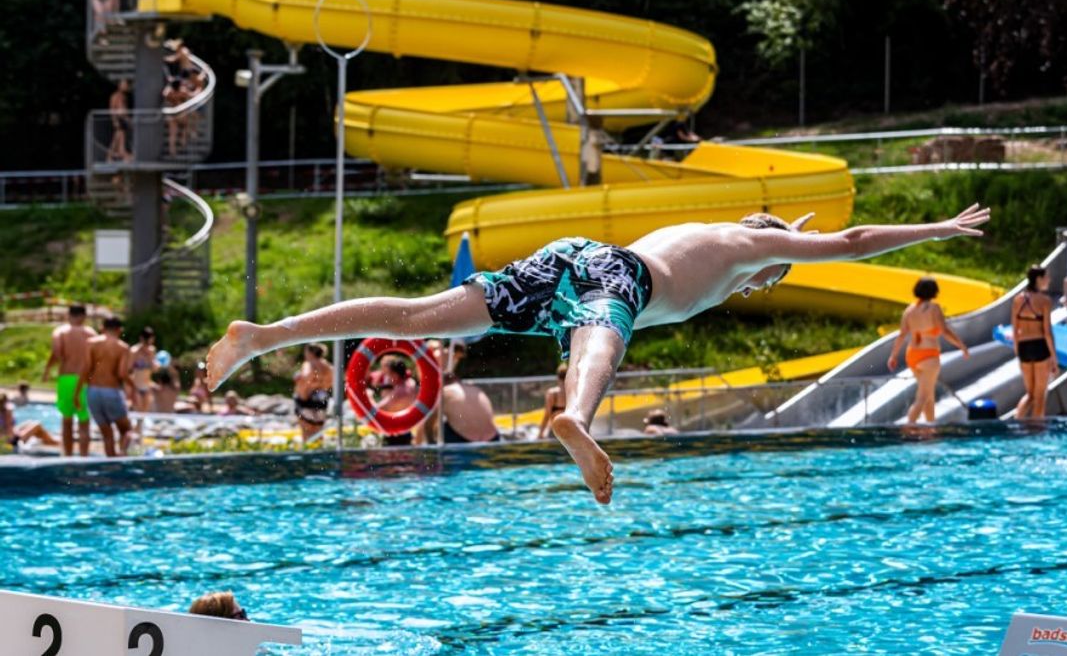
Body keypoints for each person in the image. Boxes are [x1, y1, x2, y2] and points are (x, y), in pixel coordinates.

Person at [205, 204, 992, 504]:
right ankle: (576, 420)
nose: (773, 277)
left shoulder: (716, 235)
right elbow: (850, 242)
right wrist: (938, 230)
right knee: (602, 337)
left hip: (571, 256)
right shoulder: (753, 243)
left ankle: (264, 336)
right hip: (617, 274)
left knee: (420, 316)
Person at [887, 277, 970, 424]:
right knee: (923, 396)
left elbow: (901, 335)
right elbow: (944, 331)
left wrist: (893, 356)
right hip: (929, 355)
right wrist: (961, 345)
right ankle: (909, 426)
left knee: (929, 395)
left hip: (912, 354)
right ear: (934, 291)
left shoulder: (909, 310)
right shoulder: (934, 308)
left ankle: (930, 426)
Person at [42, 305, 97, 456]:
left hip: (66, 377)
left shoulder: (60, 332)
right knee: (84, 421)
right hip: (85, 380)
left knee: (67, 420)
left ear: (69, 314)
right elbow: (96, 357)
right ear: (84, 316)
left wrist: (47, 370)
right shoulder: (91, 333)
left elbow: (57, 352)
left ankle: (68, 456)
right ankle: (84, 457)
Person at [75, 317, 134, 457]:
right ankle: (122, 458)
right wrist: (134, 387)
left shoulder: (91, 343)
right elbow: (122, 373)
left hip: (92, 392)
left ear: (102, 328)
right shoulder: (122, 347)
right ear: (119, 330)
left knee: (107, 435)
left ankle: (110, 466)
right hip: (111, 391)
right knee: (127, 431)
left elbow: (85, 370)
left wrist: (77, 393)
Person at [1013, 265, 1058, 419]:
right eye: (1046, 277)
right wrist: (1054, 357)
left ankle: (1016, 421)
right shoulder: (1044, 301)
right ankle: (1037, 431)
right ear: (1039, 279)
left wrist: (1017, 351)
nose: (1049, 280)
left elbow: (1015, 329)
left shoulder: (1018, 299)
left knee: (1030, 394)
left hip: (1023, 347)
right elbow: (1047, 332)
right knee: (1040, 395)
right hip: (1040, 346)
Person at [441, 373, 501, 443]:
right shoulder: (476, 389)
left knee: (441, 427)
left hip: (464, 440)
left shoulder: (445, 391)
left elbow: (431, 421)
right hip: (493, 438)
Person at [293, 343, 333, 442]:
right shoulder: (327, 365)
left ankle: (306, 454)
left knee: (306, 431)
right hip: (322, 399)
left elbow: (307, 376)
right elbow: (331, 382)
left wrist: (298, 378)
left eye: (306, 351)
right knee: (318, 430)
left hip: (305, 400)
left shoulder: (309, 364)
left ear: (310, 352)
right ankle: (319, 454)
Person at [538, 363, 569, 439]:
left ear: (558, 377)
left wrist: (540, 433)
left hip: (555, 430)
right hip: (570, 429)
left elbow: (547, 414)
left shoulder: (553, 393)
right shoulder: (573, 392)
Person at [130, 326, 157, 413]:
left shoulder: (152, 350)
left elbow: (154, 370)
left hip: (147, 386)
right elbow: (128, 370)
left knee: (144, 414)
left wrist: (150, 358)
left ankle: (139, 426)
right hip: (136, 386)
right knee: (138, 412)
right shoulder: (134, 351)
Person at [106, 79, 132, 163]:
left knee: (120, 137)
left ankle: (121, 153)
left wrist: (127, 118)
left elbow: (124, 109)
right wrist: (114, 120)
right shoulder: (115, 96)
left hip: (123, 119)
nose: (126, 87)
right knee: (117, 137)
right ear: (119, 85)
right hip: (118, 119)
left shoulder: (124, 96)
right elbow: (112, 109)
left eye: (126, 85)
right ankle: (110, 156)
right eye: (124, 85)